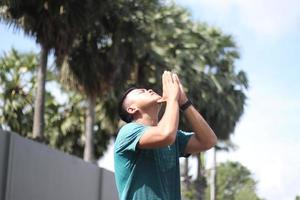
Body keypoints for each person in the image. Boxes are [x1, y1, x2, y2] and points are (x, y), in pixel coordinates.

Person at [114, 71, 217, 200]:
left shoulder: (174, 136)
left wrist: (184, 102)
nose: (149, 90)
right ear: (132, 109)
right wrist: (172, 99)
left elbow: (209, 141)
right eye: (142, 91)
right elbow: (166, 135)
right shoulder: (128, 132)